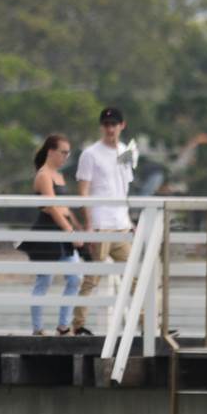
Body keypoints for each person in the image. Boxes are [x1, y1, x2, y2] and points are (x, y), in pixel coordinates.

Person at [71, 106, 135, 334]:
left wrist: (129, 221)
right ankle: (78, 325)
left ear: (122, 125)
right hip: (100, 225)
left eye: (114, 124)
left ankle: (149, 325)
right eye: (106, 125)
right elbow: (83, 191)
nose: (110, 129)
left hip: (121, 225)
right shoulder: (90, 154)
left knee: (135, 277)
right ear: (101, 127)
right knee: (92, 278)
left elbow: (123, 188)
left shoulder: (127, 151)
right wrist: (89, 225)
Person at [25, 133, 86, 335]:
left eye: (68, 153)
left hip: (63, 228)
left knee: (75, 278)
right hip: (48, 230)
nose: (66, 157)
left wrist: (76, 227)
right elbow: (52, 207)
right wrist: (70, 232)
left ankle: (63, 326)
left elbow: (64, 207)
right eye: (63, 152)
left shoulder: (58, 175)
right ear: (51, 152)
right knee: (44, 281)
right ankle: (37, 329)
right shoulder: (43, 175)